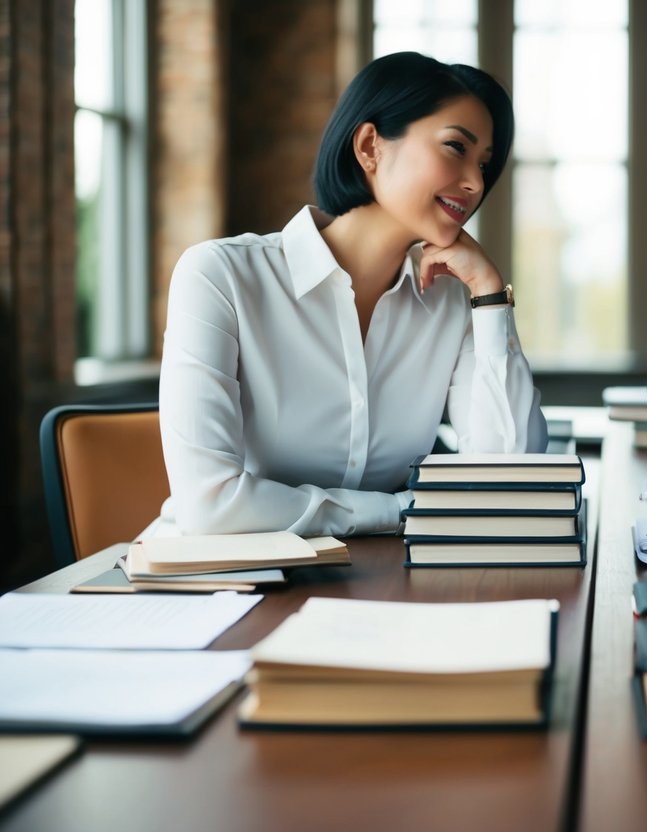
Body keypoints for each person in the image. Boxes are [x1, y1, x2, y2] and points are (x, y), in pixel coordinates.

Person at [149, 51, 546, 538]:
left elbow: (511, 481)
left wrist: (489, 295)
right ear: (369, 146)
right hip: (213, 589)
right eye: (454, 148)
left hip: (372, 583)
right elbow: (209, 507)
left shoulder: (450, 302)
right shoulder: (221, 276)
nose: (476, 182)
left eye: (484, 164)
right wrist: (398, 510)